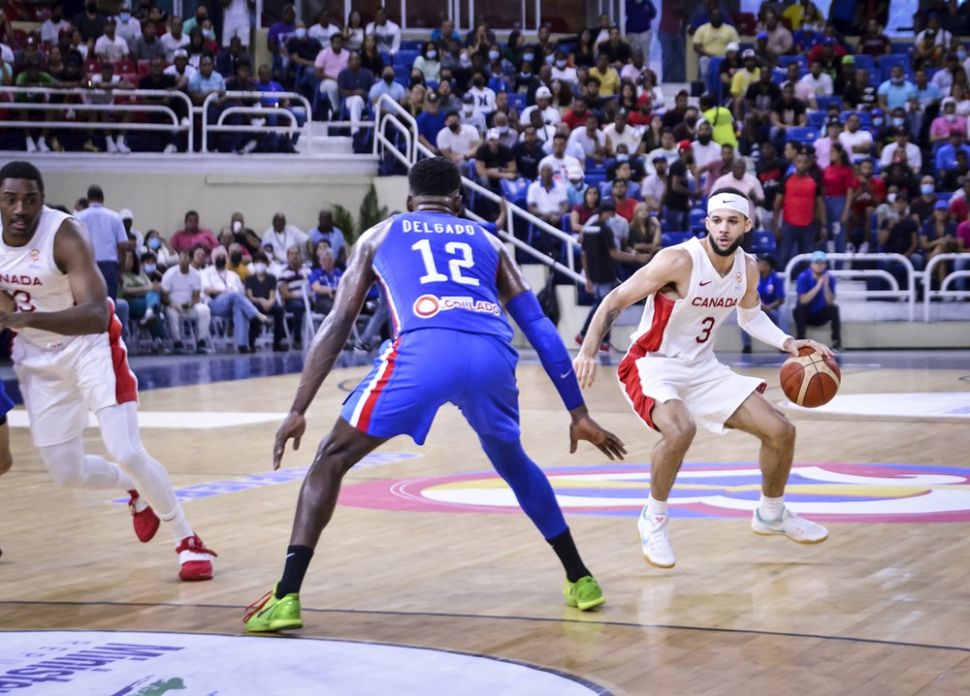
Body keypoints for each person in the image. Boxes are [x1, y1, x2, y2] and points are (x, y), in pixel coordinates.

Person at [243, 157, 624, 632]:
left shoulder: (379, 235)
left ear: (409, 202)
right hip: (491, 354)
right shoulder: (489, 241)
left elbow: (338, 322)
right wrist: (578, 412)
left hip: (422, 350)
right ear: (459, 202)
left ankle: (286, 596)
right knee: (514, 463)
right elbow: (540, 327)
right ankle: (580, 577)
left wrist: (298, 409)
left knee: (330, 458)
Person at [573, 188, 831, 569]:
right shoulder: (678, 260)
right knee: (681, 430)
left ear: (747, 225)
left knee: (781, 431)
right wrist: (587, 350)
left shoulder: (747, 267)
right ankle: (653, 518)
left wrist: (788, 342)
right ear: (707, 222)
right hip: (653, 363)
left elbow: (750, 316)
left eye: (732, 221)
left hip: (703, 368)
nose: (724, 229)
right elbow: (615, 300)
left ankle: (771, 513)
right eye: (717, 220)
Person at [0, 161, 215, 580]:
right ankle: (133, 487)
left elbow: (97, 315)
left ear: (42, 201)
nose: (21, 209)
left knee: (127, 449)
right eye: (10, 200)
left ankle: (188, 540)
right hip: (38, 358)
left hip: (90, 347)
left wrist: (26, 319)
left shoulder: (64, 235)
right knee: (67, 472)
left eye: (30, 199)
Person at [75, 185, 127, 301]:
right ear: (103, 199)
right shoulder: (115, 217)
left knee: (87, 303)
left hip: (87, 265)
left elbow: (74, 246)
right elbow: (122, 246)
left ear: (88, 199)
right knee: (109, 304)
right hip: (110, 266)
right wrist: (120, 271)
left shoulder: (78, 217)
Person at [794, 250, 841, 350]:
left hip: (820, 315)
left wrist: (826, 286)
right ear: (811, 264)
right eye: (816, 263)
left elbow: (830, 302)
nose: (819, 265)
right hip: (807, 315)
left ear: (825, 265)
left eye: (822, 263)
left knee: (834, 309)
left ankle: (836, 342)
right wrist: (818, 286)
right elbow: (803, 300)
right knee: (799, 309)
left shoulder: (830, 278)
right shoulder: (803, 276)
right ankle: (801, 340)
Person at [741, 255, 787, 353]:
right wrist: (758, 305)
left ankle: (784, 344)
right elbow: (749, 293)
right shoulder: (754, 276)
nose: (758, 264)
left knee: (781, 316)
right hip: (756, 306)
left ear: (768, 266)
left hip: (771, 308)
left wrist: (769, 307)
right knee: (744, 317)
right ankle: (747, 345)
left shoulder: (776, 278)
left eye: (761, 262)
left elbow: (781, 299)